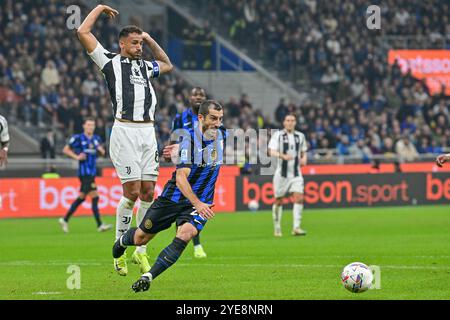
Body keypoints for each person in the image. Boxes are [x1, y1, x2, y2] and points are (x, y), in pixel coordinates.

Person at [76, 4, 173, 276]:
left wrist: (150, 39)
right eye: (135, 43)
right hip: (125, 132)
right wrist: (98, 8)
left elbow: (167, 64)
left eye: (141, 43)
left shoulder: (145, 66)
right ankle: (119, 248)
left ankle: (140, 250)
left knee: (148, 193)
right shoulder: (109, 61)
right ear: (121, 44)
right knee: (131, 193)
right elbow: (83, 30)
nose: (139, 47)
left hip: (148, 133)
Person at [112, 100, 225, 293]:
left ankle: (148, 277)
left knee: (186, 233)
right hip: (174, 199)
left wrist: (175, 149)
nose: (218, 123)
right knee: (140, 238)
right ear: (201, 118)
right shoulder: (189, 141)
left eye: (220, 119)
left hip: (198, 203)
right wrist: (197, 203)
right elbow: (181, 179)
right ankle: (120, 244)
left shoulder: (220, 135)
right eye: (213, 118)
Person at [170, 87, 208, 258]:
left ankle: (195, 244)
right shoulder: (180, 118)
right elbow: (173, 138)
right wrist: (169, 152)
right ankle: (191, 244)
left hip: (201, 168)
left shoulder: (208, 118)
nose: (198, 98)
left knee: (194, 204)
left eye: (201, 95)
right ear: (189, 98)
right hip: (183, 166)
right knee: (183, 204)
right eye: (195, 95)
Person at [58, 117, 112, 233]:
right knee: (95, 197)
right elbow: (66, 150)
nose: (90, 127)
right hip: (84, 173)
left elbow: (102, 153)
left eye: (92, 125)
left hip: (92, 172)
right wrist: (77, 157)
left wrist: (101, 151)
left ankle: (65, 219)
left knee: (81, 198)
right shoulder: (78, 138)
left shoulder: (96, 139)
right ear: (84, 126)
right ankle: (100, 225)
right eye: (88, 125)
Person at [268, 114, 308, 237]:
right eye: (288, 120)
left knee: (299, 198)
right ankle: (277, 227)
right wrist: (282, 155)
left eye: (292, 120)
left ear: (295, 122)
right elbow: (271, 151)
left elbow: (303, 151)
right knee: (279, 201)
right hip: (282, 175)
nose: (290, 122)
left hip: (296, 174)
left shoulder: (300, 136)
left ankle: (296, 227)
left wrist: (304, 159)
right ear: (284, 123)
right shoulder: (278, 135)